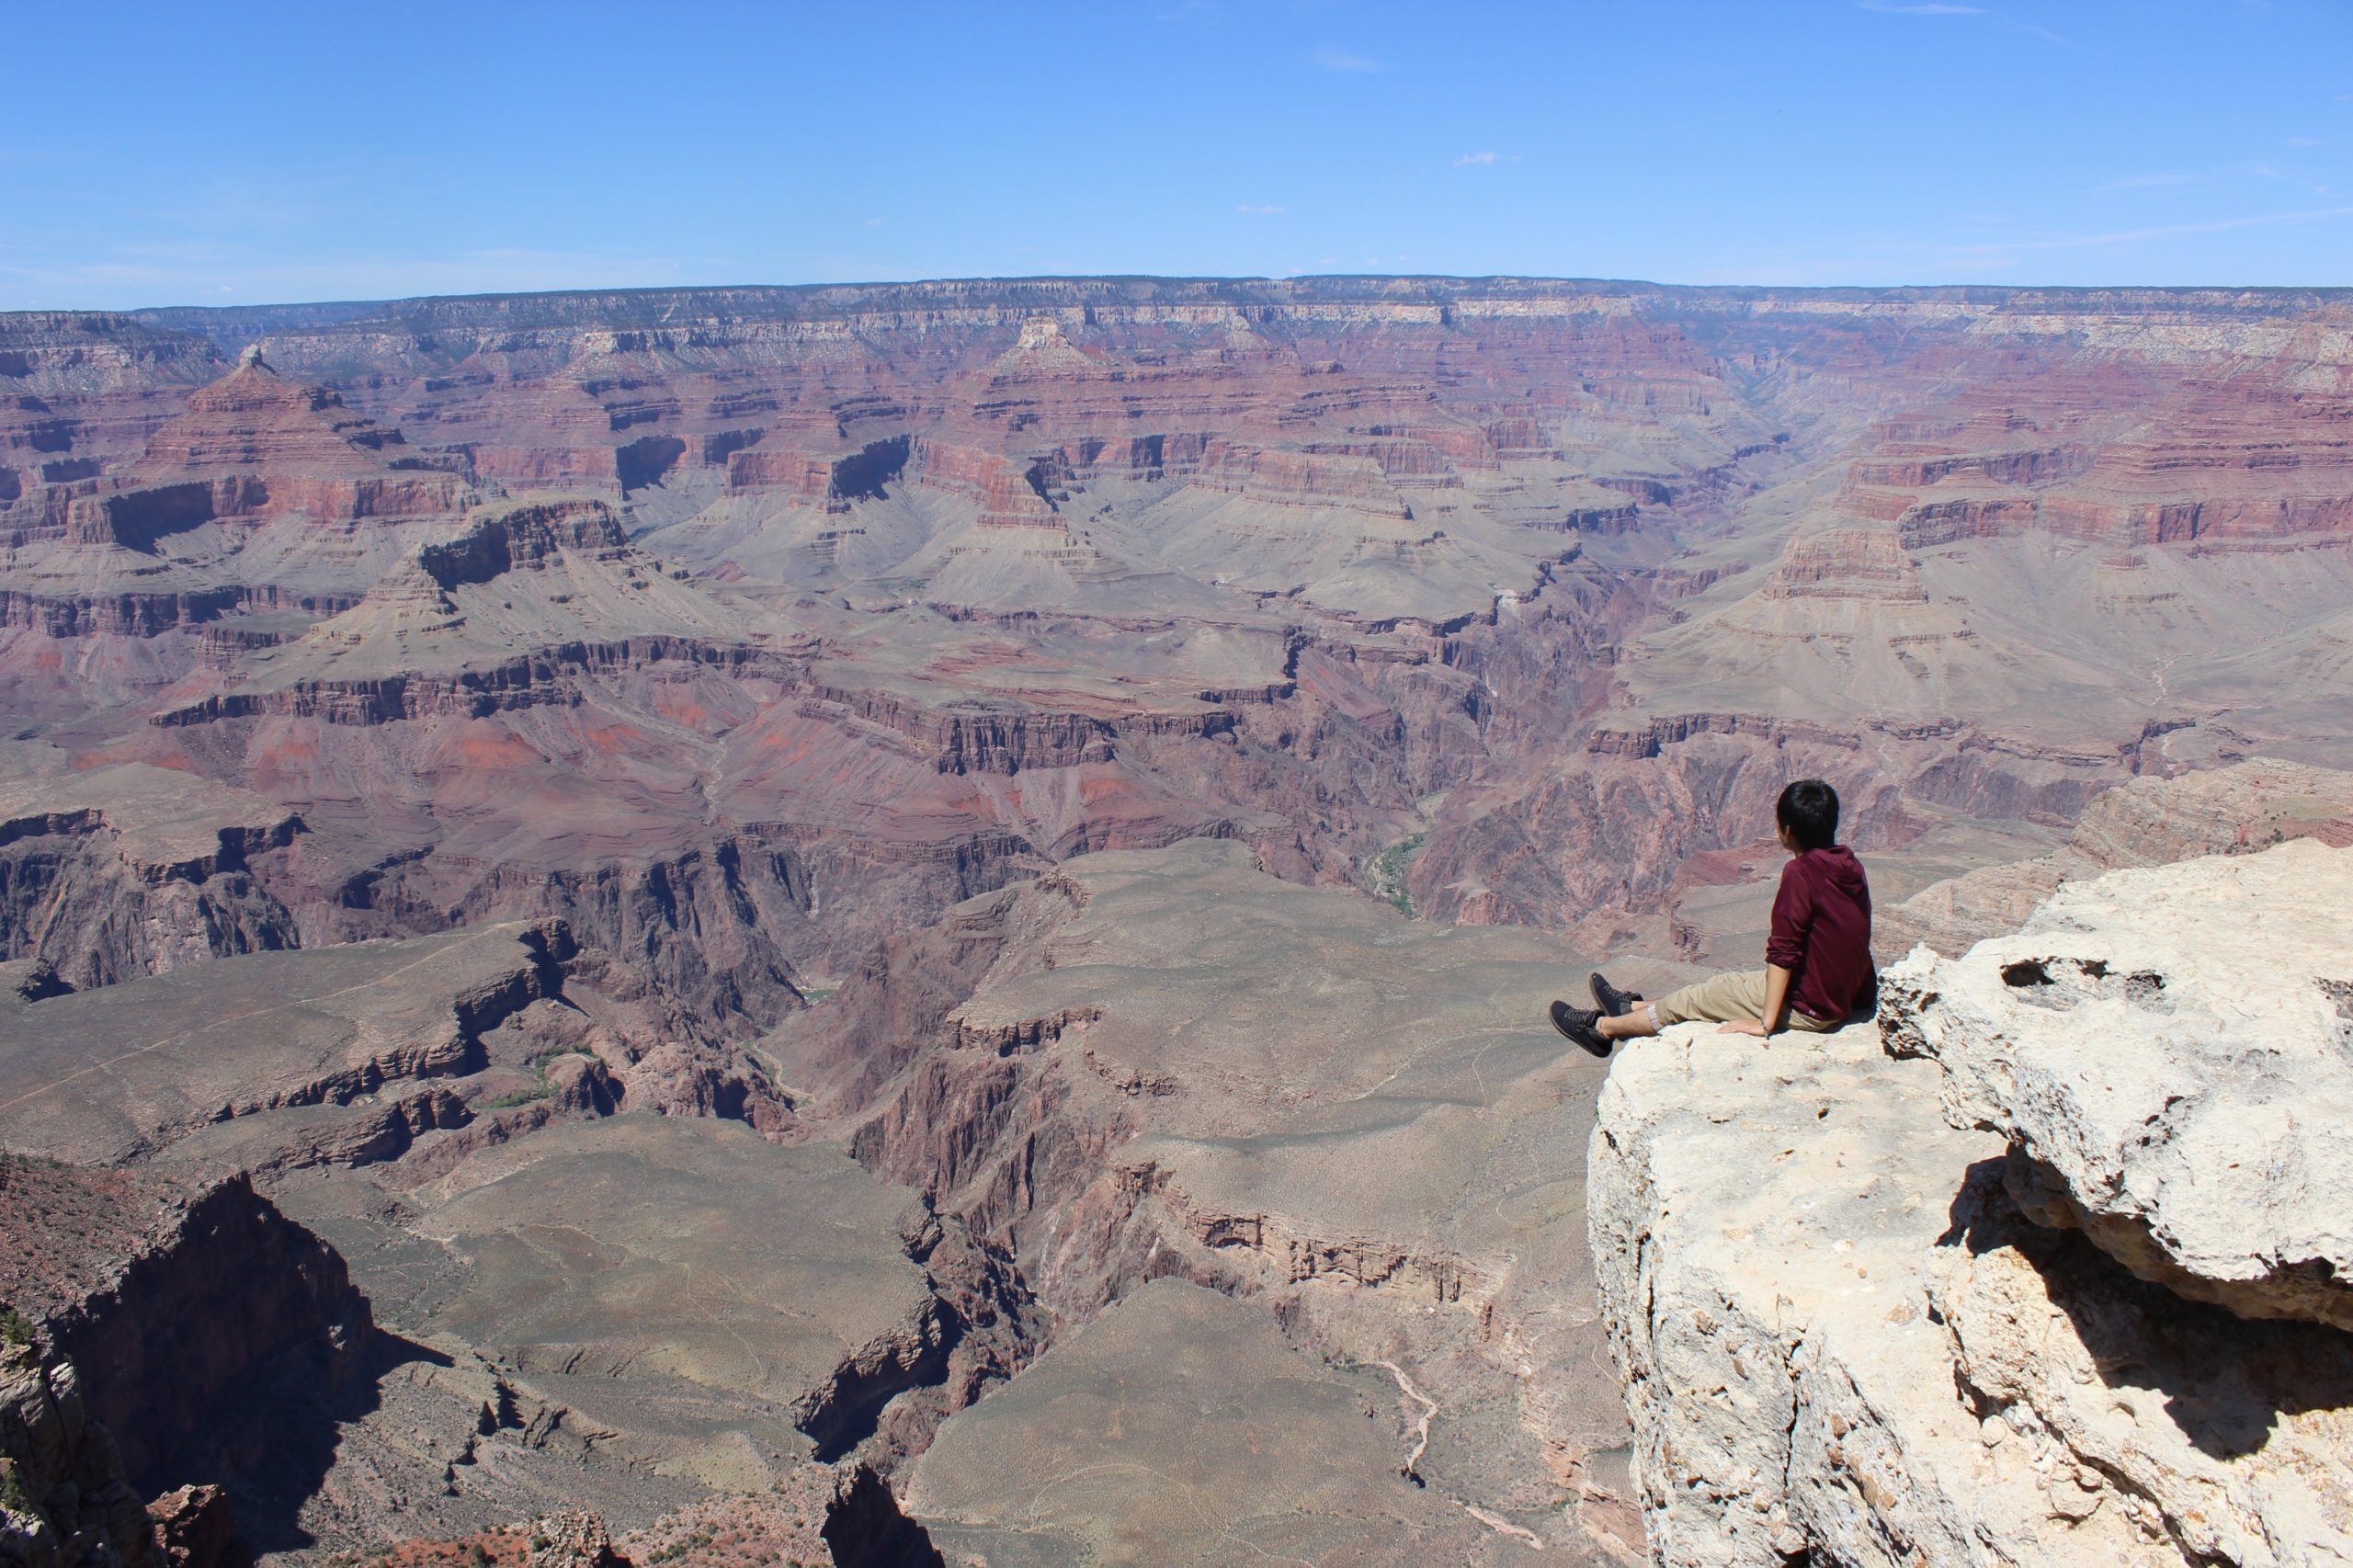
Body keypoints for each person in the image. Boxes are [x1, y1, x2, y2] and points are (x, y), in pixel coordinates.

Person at [1550, 778, 1873, 1057]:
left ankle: (1601, 1030)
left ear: (1787, 830)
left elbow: (1783, 951)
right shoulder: (1849, 865)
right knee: (1718, 987)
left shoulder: (1801, 873)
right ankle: (1631, 1008)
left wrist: (1766, 1024)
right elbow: (1856, 934)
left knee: (1693, 1001)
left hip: (1810, 1005)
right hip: (1829, 993)